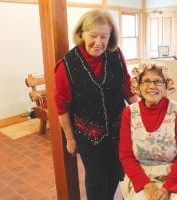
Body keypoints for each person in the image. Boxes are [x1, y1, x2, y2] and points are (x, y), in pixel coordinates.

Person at [54, 9, 138, 200]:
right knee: (97, 180)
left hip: (120, 130)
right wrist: (70, 139)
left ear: (111, 37)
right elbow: (61, 106)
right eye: (93, 36)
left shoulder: (115, 55)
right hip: (89, 136)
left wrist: (143, 115)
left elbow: (127, 88)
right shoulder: (67, 64)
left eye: (104, 36)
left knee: (119, 173)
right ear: (81, 33)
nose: (98, 42)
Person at [119, 63, 177, 200]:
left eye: (158, 82)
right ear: (138, 85)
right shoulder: (129, 113)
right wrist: (146, 185)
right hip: (142, 174)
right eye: (146, 81)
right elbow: (126, 155)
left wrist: (168, 188)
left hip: (175, 172)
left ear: (166, 84)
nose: (152, 86)